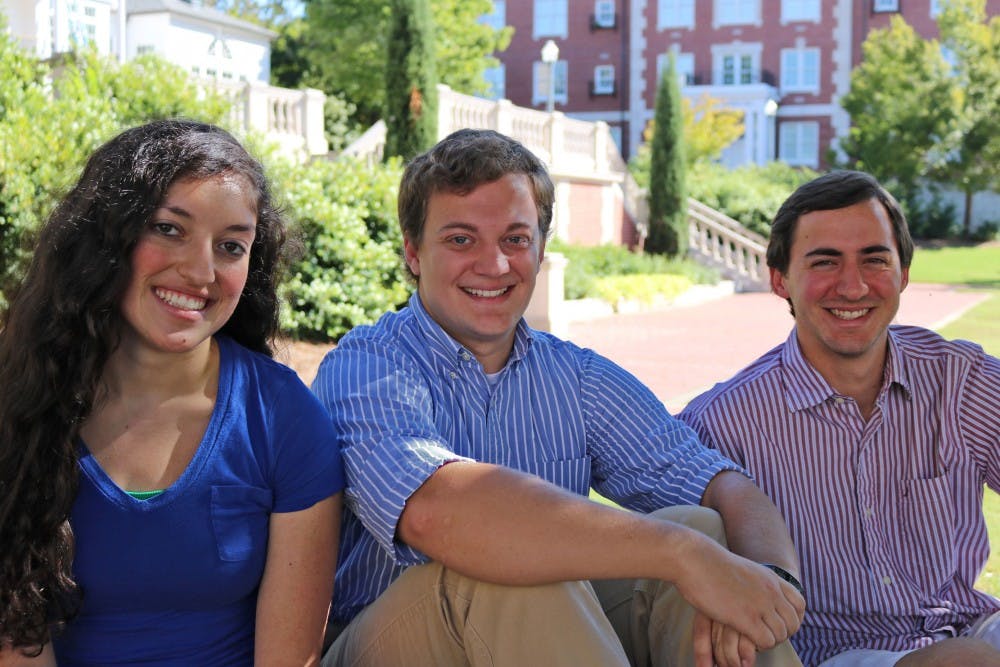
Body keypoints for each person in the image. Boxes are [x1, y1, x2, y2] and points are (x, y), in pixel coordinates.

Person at [311, 128, 805, 667]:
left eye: (515, 239)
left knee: (704, 529)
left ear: (541, 249)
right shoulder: (368, 366)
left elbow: (722, 486)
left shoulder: (574, 376)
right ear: (413, 251)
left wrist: (765, 585)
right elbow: (436, 515)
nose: (494, 264)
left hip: (532, 640)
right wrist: (680, 554)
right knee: (511, 563)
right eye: (460, 239)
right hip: (392, 644)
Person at [0, 119, 344, 666]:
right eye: (168, 229)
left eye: (231, 245)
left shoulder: (285, 419)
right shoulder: (19, 402)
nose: (200, 270)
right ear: (105, 236)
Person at [679, 170, 1000, 667]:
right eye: (825, 262)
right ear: (780, 279)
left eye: (875, 259)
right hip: (829, 653)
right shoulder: (722, 423)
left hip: (967, 626)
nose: (853, 287)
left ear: (904, 273)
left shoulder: (962, 380)